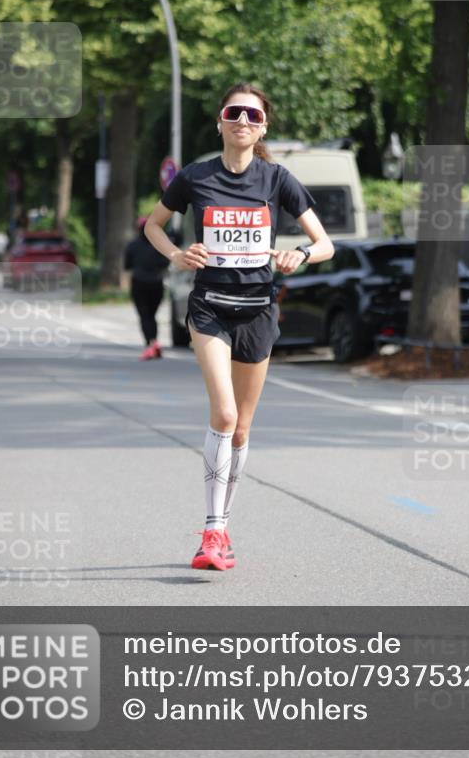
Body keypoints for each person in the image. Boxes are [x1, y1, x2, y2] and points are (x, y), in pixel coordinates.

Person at [144, 82, 334, 570]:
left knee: (243, 427)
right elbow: (152, 225)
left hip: (257, 310)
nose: (243, 121)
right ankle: (211, 532)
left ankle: (224, 526)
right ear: (220, 122)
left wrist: (299, 254)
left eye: (253, 115)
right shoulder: (195, 177)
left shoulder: (277, 179)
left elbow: (325, 244)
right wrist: (176, 255)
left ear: (263, 127)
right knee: (224, 415)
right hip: (210, 307)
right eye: (234, 113)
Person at [124, 216, 170, 360]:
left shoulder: (132, 245)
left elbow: (127, 265)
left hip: (139, 283)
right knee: (151, 315)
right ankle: (154, 343)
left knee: (145, 316)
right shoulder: (159, 245)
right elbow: (166, 263)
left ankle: (151, 344)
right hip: (156, 283)